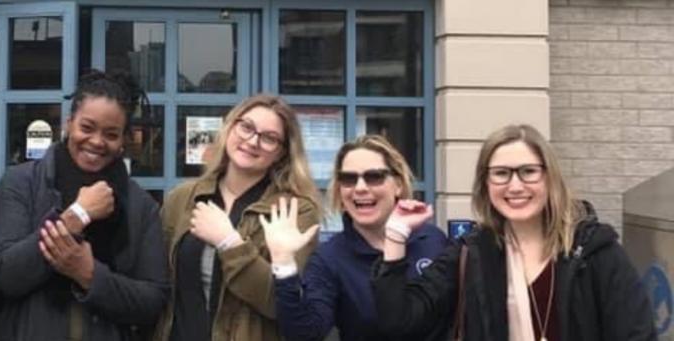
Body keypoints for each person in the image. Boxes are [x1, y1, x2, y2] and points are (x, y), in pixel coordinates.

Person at [372, 124, 657, 341]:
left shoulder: (594, 252)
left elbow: (637, 335)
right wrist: (396, 234)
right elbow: (399, 322)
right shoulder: (471, 253)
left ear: (549, 177)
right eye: (501, 173)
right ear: (486, 183)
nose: (515, 186)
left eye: (528, 171)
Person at [0, 70, 168, 341]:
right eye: (87, 127)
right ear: (69, 124)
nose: (96, 141)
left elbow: (153, 300)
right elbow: (4, 273)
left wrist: (90, 275)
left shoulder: (141, 206)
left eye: (111, 134)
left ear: (123, 141)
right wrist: (76, 216)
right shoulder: (22, 182)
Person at [153, 94, 322, 341]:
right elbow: (160, 288)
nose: (252, 141)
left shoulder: (296, 211)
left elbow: (283, 306)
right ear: (230, 127)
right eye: (246, 127)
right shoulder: (182, 199)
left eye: (269, 138)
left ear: (281, 153)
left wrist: (229, 242)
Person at [262, 135, 448, 341]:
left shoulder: (432, 240)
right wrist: (283, 263)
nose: (360, 188)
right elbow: (306, 334)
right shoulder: (329, 259)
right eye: (349, 179)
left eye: (374, 176)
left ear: (398, 185)